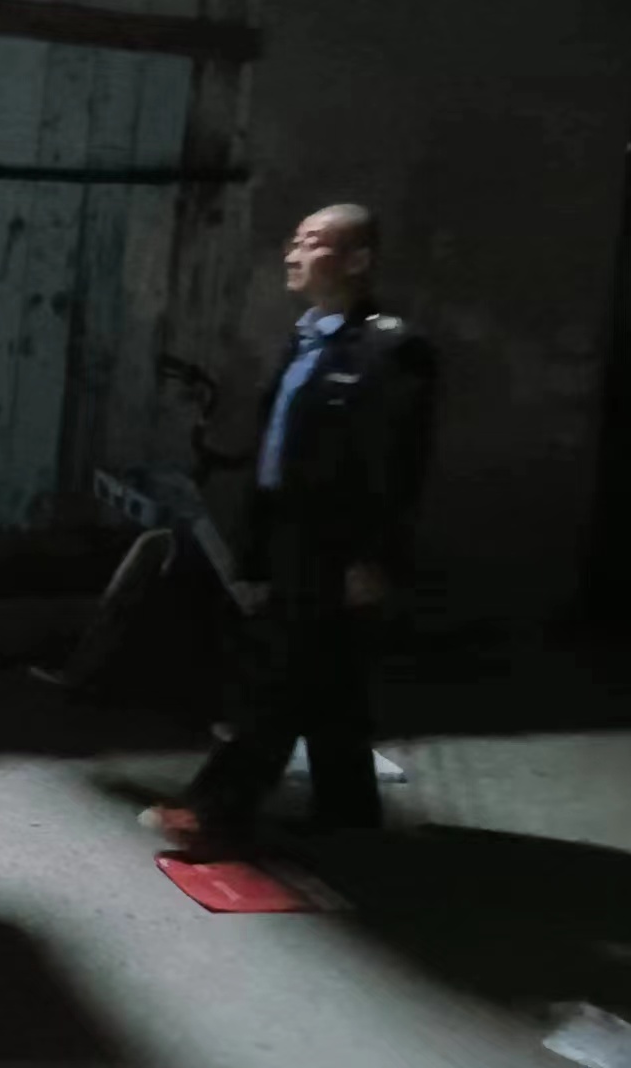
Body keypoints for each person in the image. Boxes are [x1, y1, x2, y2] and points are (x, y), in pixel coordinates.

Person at [143, 203, 436, 850]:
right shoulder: (305, 340)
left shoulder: (391, 350)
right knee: (330, 679)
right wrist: (257, 540)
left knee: (278, 674)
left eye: (311, 242)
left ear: (357, 261)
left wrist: (373, 556)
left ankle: (215, 808)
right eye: (294, 241)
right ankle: (349, 814)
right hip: (287, 533)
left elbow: (397, 464)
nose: (292, 254)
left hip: (335, 543)